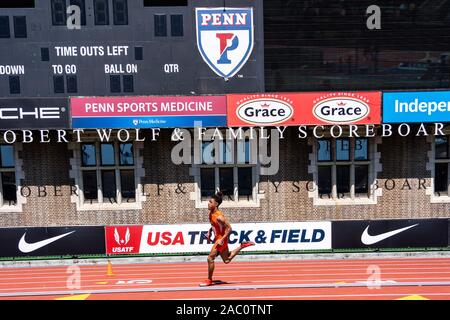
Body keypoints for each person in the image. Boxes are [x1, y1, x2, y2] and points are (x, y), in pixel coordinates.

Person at [199, 191, 255, 287]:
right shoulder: (211, 213)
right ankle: (242, 246)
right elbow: (213, 225)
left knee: (210, 258)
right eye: (208, 201)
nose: (208, 203)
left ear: (216, 204)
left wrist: (222, 239)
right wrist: (209, 232)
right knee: (227, 260)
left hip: (221, 239)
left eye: (210, 202)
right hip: (219, 238)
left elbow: (229, 228)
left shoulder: (219, 217)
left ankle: (209, 280)